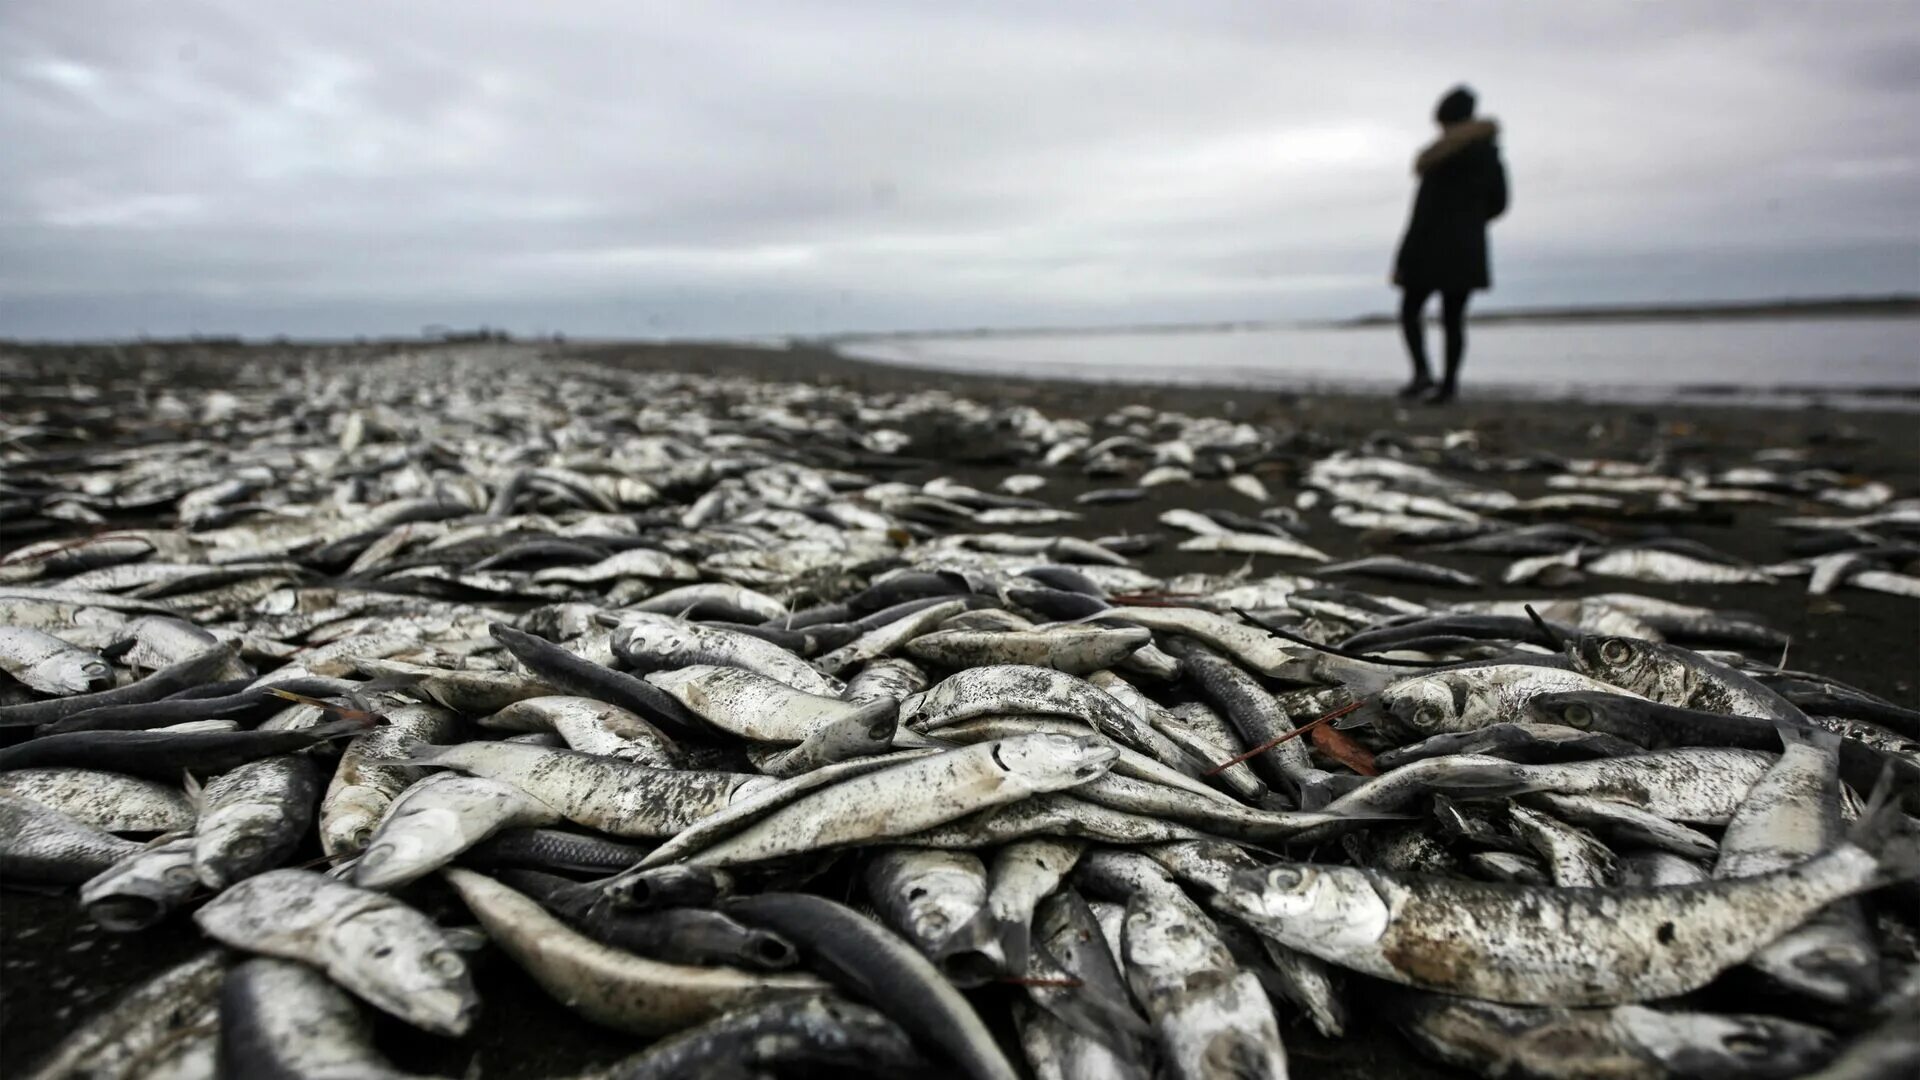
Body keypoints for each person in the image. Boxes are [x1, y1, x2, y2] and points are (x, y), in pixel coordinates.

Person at [1392, 85, 1508, 403]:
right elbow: (1499, 203)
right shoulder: (1489, 154)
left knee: (1411, 309)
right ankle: (1447, 385)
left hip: (1429, 246)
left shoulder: (1438, 159)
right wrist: (1471, 223)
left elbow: (1422, 213)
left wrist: (1404, 257)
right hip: (1467, 248)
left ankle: (1423, 374)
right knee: (1453, 318)